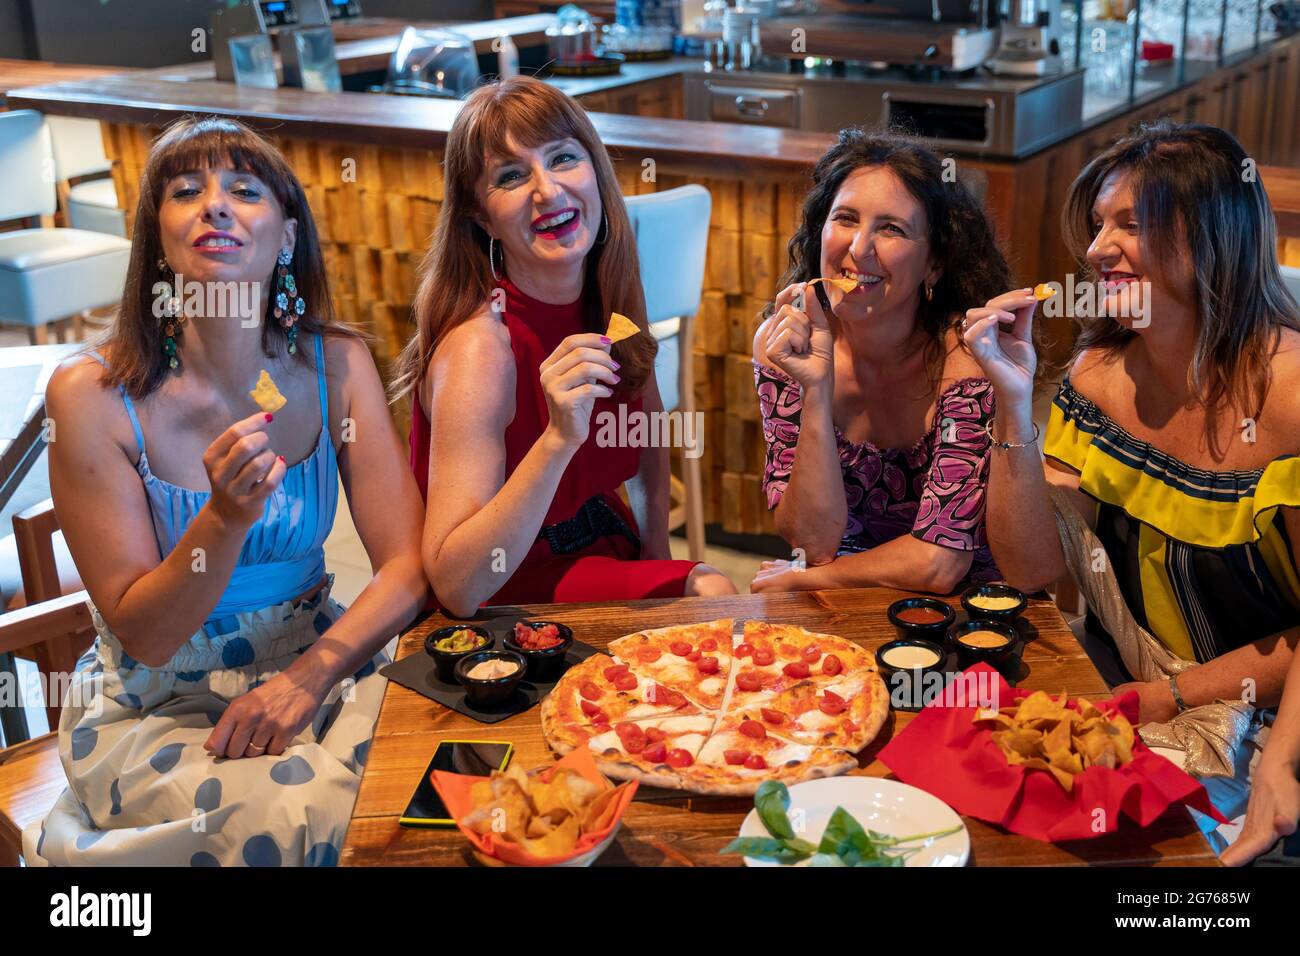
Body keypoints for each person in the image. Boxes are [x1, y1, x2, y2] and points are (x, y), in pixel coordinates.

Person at [24, 117, 427, 867]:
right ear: (158, 240)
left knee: (436, 774)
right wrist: (223, 520)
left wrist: (310, 677)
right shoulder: (92, 395)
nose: (214, 205)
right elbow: (144, 635)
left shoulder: (335, 362)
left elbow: (407, 564)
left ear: (285, 236)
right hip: (158, 708)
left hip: (321, 664)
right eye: (186, 191)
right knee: (311, 814)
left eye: (243, 190)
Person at [964, 121, 1300, 861]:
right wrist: (1012, 403)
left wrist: (1174, 700)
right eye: (1096, 226)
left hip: (1275, 718)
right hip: (1133, 687)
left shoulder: (1289, 396)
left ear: (1216, 234)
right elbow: (1030, 569)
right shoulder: (1097, 374)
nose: (1093, 250)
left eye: (1131, 224)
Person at [393, 76, 735, 615]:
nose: (547, 190)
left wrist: (655, 555)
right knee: (713, 592)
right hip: (507, 582)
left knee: (705, 598)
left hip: (600, 540)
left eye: (562, 159)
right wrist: (557, 440)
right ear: (481, 217)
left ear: (596, 172)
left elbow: (645, 431)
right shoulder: (481, 349)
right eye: (511, 176)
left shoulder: (613, 291)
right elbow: (458, 585)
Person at [749, 129, 1015, 595]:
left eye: (891, 228)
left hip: (965, 605)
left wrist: (813, 579)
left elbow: (940, 561)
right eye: (846, 219)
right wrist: (815, 390)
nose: (858, 249)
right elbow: (812, 541)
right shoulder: (785, 344)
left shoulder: (969, 357)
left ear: (934, 264)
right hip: (839, 592)